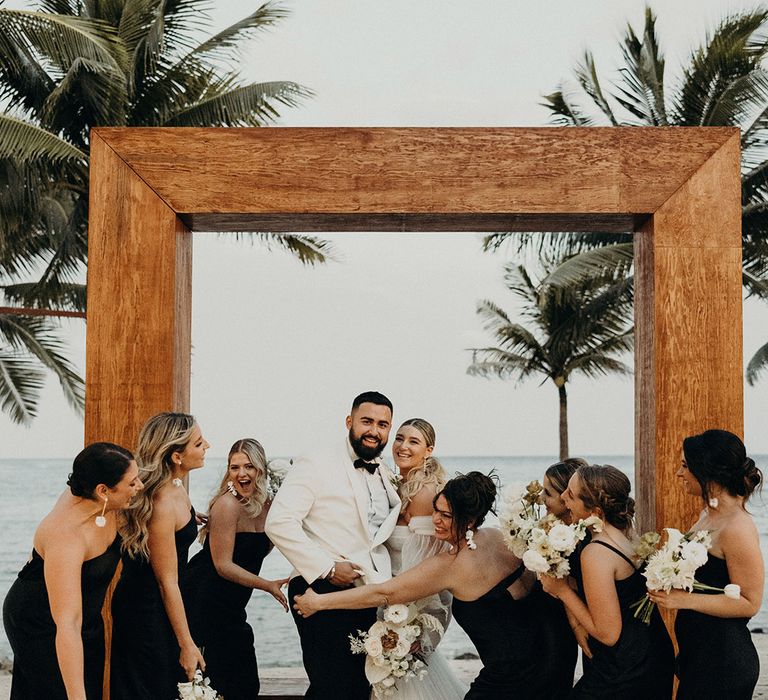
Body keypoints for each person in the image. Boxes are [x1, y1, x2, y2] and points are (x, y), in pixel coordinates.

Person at [293, 472, 551, 700]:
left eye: (446, 515)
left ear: (470, 520)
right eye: (435, 510)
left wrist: (318, 602)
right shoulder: (498, 538)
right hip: (546, 658)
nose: (435, 519)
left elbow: (385, 592)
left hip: (507, 677)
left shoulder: (450, 564)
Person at [265, 391, 402, 700]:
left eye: (383, 424)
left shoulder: (384, 472)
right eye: (367, 421)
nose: (374, 430)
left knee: (357, 685)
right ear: (349, 422)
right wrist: (327, 568)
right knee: (333, 685)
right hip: (322, 588)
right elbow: (278, 522)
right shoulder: (316, 462)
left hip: (366, 594)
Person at [3, 442, 142, 700]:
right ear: (103, 491)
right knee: (60, 692)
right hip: (41, 622)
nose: (139, 487)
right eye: (132, 483)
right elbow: (67, 623)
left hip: (85, 617)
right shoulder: (66, 536)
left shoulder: (94, 493)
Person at [648, 429, 763, 699]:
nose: (679, 473)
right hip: (699, 654)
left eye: (685, 466)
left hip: (723, 661)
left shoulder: (737, 528)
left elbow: (750, 602)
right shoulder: (708, 514)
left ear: (706, 470)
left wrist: (682, 601)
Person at [542, 464, 674, 699]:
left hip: (626, 668)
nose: (563, 497)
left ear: (595, 512)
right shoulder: (627, 534)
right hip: (651, 653)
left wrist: (561, 590)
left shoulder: (596, 553)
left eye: (570, 494)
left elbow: (608, 634)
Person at [111, 412, 210, 700]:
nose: (207, 446)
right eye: (199, 443)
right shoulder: (163, 503)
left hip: (160, 604)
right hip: (146, 611)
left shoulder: (176, 487)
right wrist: (187, 643)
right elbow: (167, 582)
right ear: (177, 456)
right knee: (151, 686)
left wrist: (193, 521)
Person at [182, 438, 290, 700]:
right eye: (234, 467)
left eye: (249, 466)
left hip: (232, 606)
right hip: (203, 599)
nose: (242, 473)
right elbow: (223, 565)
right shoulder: (227, 505)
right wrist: (268, 585)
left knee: (245, 683)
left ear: (261, 470)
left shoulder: (269, 506)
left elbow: (265, 548)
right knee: (214, 680)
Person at [386, 418, 466, 699]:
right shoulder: (397, 485)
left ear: (428, 450)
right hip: (392, 597)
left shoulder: (424, 492)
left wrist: (412, 625)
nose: (403, 446)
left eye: (413, 441)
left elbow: (428, 565)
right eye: (399, 438)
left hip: (411, 605)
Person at [535, 458, 588, 697]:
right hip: (550, 622)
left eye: (548, 493)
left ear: (568, 496)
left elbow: (569, 583)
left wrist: (576, 626)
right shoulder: (551, 530)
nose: (542, 499)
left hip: (567, 626)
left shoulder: (583, 538)